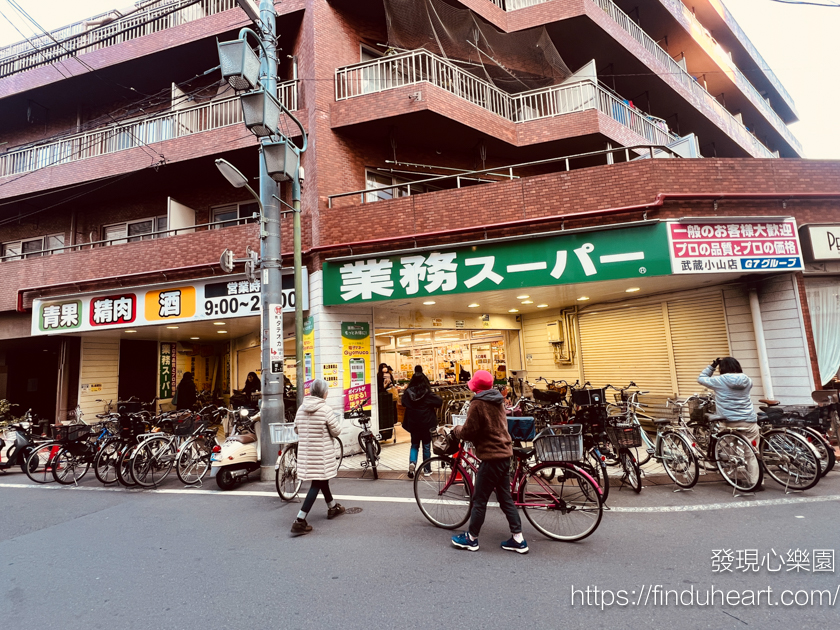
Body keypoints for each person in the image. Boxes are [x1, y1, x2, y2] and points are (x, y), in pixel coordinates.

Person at [450, 370, 528, 554]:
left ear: (475, 386)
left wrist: (456, 429)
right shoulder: (497, 399)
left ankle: (471, 538)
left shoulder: (477, 403)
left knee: (479, 499)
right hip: (504, 453)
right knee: (505, 498)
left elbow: (469, 431)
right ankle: (518, 538)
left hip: (491, 456)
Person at [291, 378, 345, 535]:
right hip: (321, 453)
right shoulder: (326, 409)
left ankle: (332, 507)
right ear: (324, 393)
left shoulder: (301, 408)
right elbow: (336, 431)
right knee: (317, 482)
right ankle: (300, 520)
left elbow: (296, 429)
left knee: (321, 479)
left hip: (307, 454)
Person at [698, 357, 762, 487]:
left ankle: (732, 477)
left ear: (722, 368)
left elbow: (701, 378)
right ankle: (755, 482)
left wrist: (712, 366)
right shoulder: (747, 380)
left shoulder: (719, 380)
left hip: (728, 421)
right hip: (748, 421)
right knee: (752, 452)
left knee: (729, 450)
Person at [401, 372, 443, 479]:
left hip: (413, 424)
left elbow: (403, 403)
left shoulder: (408, 393)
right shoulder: (427, 393)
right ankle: (427, 469)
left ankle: (412, 464)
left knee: (414, 445)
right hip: (426, 423)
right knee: (426, 446)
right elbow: (439, 402)